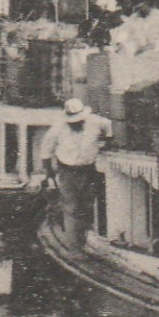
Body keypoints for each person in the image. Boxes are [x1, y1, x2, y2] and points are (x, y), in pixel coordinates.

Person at [39, 98, 113, 251]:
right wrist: (49, 174)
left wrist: (106, 142)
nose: (76, 123)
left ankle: (85, 239)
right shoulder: (57, 129)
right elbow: (46, 152)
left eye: (78, 121)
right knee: (71, 207)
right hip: (67, 170)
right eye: (72, 121)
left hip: (89, 169)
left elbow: (109, 129)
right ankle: (75, 247)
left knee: (87, 205)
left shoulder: (98, 122)